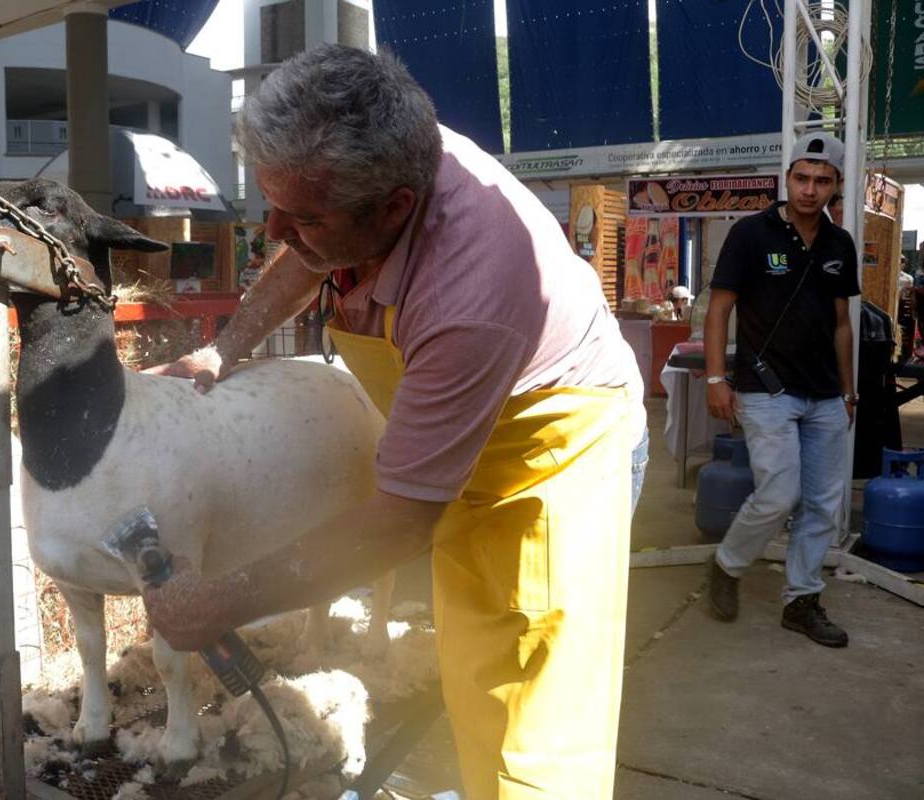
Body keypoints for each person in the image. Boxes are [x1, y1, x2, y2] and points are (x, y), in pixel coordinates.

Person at [142, 45, 646, 798]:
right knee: (470, 669)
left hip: (556, 453)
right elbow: (310, 255)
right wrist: (224, 349)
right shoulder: (365, 188)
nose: (276, 229)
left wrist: (225, 600)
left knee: (534, 725)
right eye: (271, 203)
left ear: (396, 207)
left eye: (303, 215)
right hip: (468, 451)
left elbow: (401, 522)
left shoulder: (470, 292)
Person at [704, 132, 858, 648]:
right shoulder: (751, 234)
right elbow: (720, 309)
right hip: (766, 389)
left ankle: (802, 600)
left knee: (822, 505)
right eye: (801, 178)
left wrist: (849, 390)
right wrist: (715, 378)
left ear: (836, 186)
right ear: (786, 177)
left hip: (825, 395)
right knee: (778, 493)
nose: (809, 189)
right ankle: (727, 564)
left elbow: (842, 324)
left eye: (821, 180)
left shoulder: (840, 244)